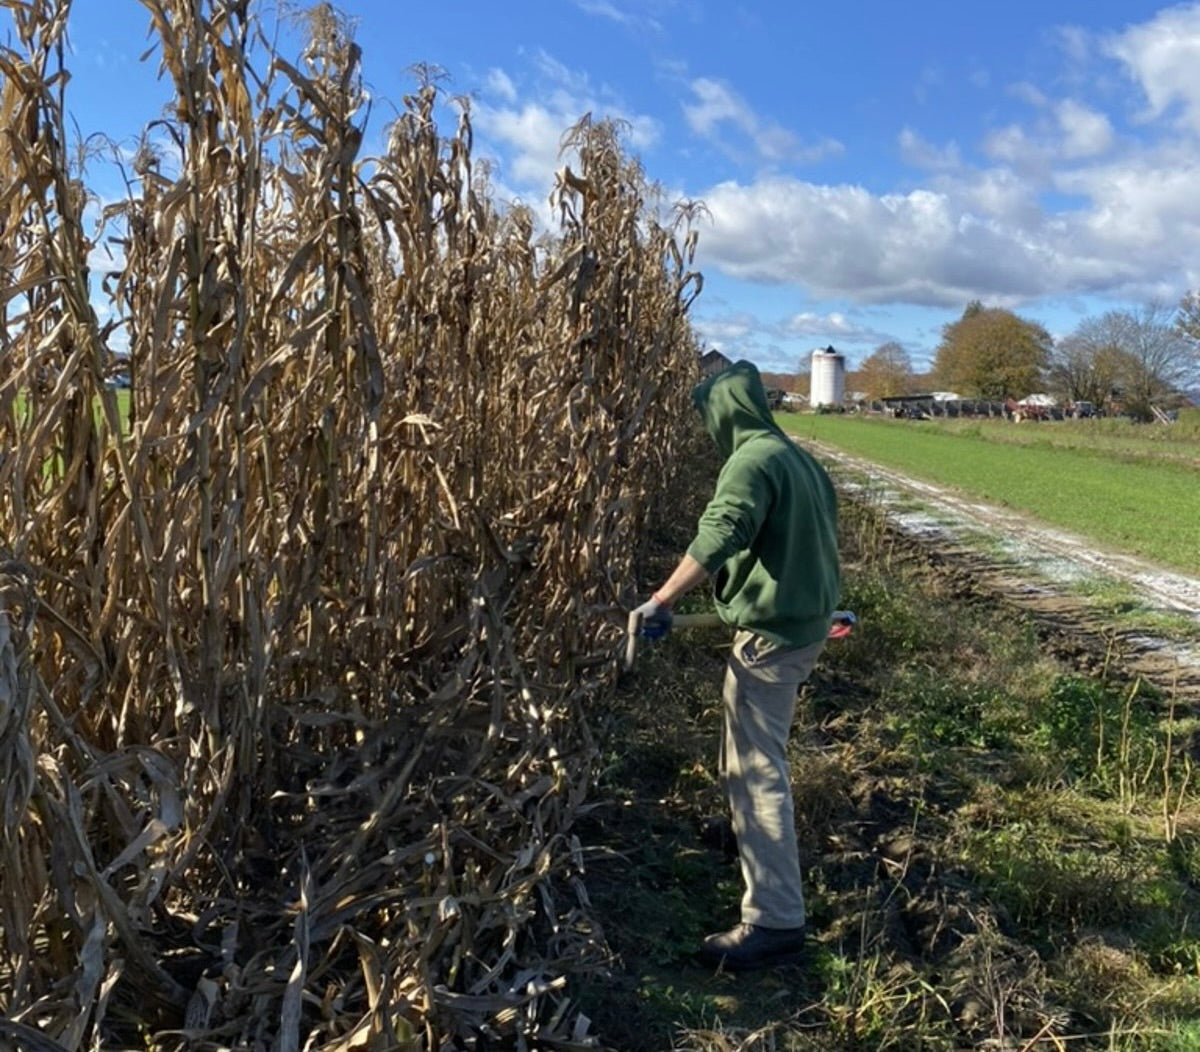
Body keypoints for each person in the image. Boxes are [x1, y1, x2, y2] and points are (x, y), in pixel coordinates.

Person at [633, 359, 840, 971]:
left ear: (722, 413)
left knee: (757, 767)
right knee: (743, 744)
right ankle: (745, 836)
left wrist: (663, 599)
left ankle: (775, 919)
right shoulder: (797, 458)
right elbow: (818, 541)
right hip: (801, 626)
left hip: (772, 639)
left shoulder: (751, 461)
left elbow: (722, 530)